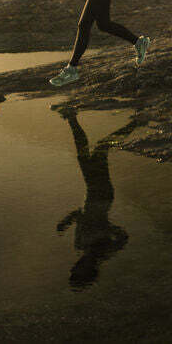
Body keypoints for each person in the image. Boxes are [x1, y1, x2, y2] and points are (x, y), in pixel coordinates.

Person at [53, 104, 131, 289]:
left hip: (92, 194)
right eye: (79, 269)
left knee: (88, 153)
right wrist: (106, 226)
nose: (77, 264)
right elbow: (123, 237)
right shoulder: (104, 251)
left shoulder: (80, 245)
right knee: (100, 149)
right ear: (89, 270)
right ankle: (72, 117)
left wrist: (66, 221)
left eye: (75, 267)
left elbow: (80, 215)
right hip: (102, 195)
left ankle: (71, 117)